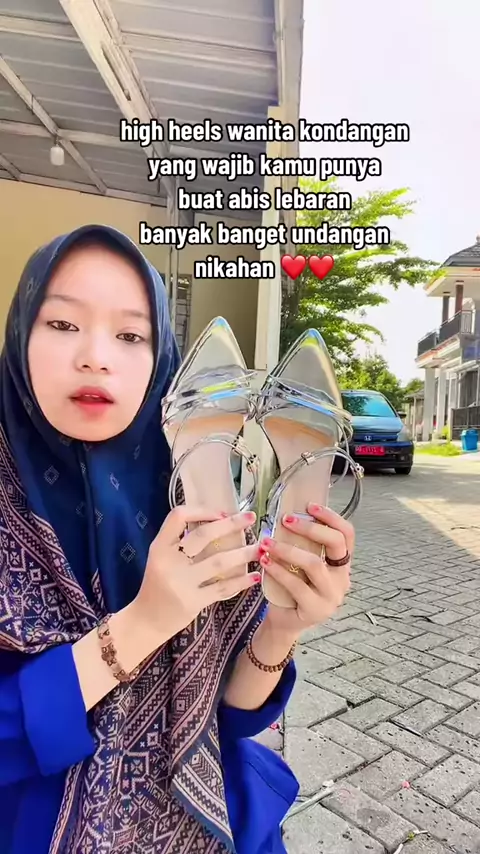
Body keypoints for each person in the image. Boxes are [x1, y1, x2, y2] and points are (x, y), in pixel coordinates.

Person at [0, 225, 354, 854]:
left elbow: (232, 717)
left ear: (160, 356)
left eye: (130, 335)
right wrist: (143, 624)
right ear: (22, 330)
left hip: (207, 821)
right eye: (62, 324)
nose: (95, 357)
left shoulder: (190, 498)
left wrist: (282, 628)